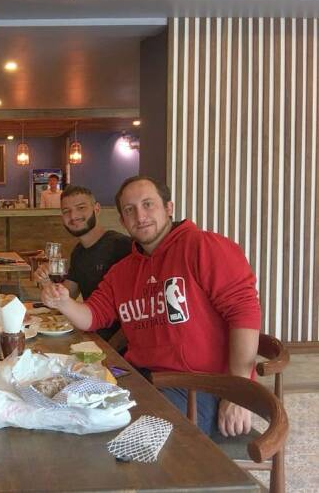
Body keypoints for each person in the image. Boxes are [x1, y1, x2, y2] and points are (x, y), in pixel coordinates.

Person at [41, 176, 261, 438]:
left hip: (201, 387)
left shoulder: (204, 247)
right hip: (142, 379)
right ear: (123, 220)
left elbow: (244, 313)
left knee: (116, 434)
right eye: (130, 210)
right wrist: (64, 302)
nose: (140, 216)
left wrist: (238, 392)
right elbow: (93, 315)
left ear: (169, 207)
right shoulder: (123, 271)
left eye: (148, 204)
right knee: (65, 405)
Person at [34, 185, 131, 341]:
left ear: (97, 209)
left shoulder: (121, 246)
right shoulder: (78, 251)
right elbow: (67, 295)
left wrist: (110, 349)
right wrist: (46, 282)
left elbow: (136, 315)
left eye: (81, 208)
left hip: (114, 344)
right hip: (89, 333)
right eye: (66, 211)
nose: (73, 216)